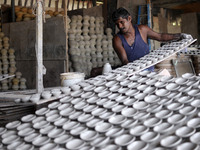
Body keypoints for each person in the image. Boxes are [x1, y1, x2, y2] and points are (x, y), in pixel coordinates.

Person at [112, 7, 192, 71]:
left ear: (129, 18)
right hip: (133, 74)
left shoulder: (142, 30)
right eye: (117, 24)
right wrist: (135, 71)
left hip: (149, 72)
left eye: (122, 22)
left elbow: (160, 36)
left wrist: (179, 36)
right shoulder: (117, 39)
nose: (120, 26)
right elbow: (125, 61)